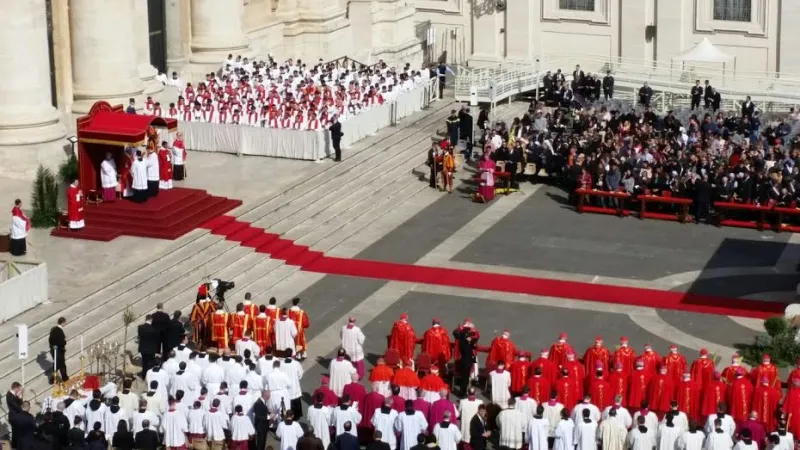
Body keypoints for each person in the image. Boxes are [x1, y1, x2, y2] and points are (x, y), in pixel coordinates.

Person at [49, 317, 68, 383]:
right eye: (65, 322)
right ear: (62, 322)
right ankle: (65, 379)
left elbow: (50, 340)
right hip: (59, 350)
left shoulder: (53, 330)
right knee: (62, 365)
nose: (65, 324)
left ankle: (52, 379)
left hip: (54, 350)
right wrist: (65, 342)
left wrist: (53, 345)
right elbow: (61, 342)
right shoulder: (59, 331)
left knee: (56, 365)